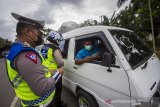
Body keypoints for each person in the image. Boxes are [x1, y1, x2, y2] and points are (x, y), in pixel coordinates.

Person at [6, 13, 63, 107]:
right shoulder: (26, 54)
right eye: (38, 32)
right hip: (41, 104)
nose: (40, 35)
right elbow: (41, 88)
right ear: (27, 31)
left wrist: (48, 71)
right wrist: (58, 73)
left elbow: (32, 71)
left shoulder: (17, 49)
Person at [40, 30, 67, 107]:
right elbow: (60, 63)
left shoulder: (43, 47)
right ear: (56, 39)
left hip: (46, 72)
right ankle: (58, 105)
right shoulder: (55, 49)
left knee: (50, 92)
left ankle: (53, 104)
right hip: (55, 73)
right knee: (58, 91)